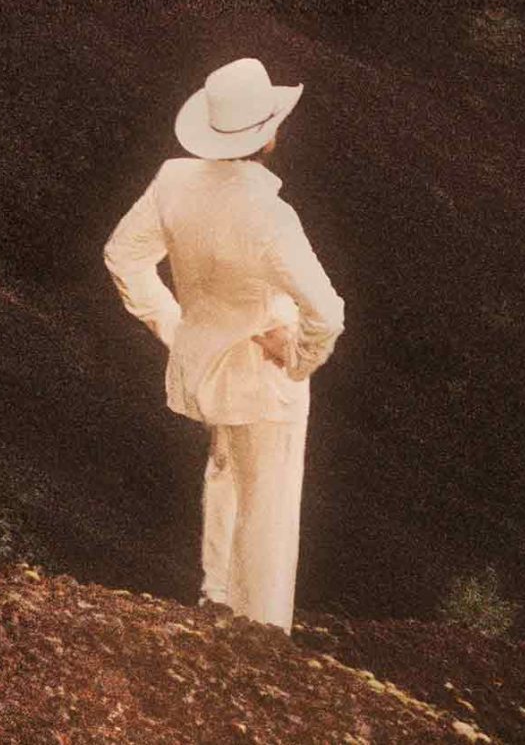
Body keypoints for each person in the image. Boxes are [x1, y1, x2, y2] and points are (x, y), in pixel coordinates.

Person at [103, 57, 345, 633]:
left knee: (224, 473)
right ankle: (260, 636)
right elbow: (327, 313)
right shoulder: (268, 215)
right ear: (268, 135)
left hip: (209, 366)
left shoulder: (173, 180)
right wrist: (297, 359)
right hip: (264, 378)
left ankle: (215, 598)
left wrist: (175, 327)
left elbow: (122, 256)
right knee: (268, 506)